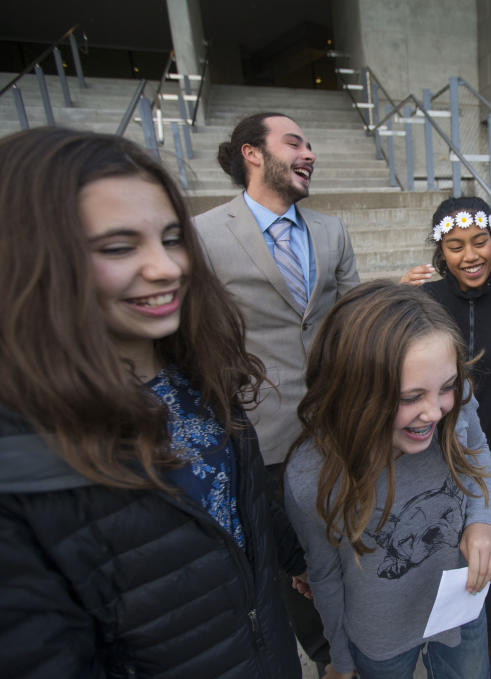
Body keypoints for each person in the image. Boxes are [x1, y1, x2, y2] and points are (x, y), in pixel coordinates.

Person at [0, 128, 304, 677]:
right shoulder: (21, 454)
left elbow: (242, 499)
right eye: (118, 247)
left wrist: (295, 556)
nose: (166, 268)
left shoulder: (197, 369)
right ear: (29, 260)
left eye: (170, 238)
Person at [195, 111, 361, 666]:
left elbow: (352, 317)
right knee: (294, 563)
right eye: (294, 142)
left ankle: (361, 638)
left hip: (338, 425)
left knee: (345, 542)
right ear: (252, 153)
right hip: (260, 431)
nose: (309, 152)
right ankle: (328, 659)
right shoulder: (204, 234)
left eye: (311, 143)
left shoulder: (332, 231)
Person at [284, 281, 491, 679]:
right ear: (352, 390)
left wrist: (483, 518)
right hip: (378, 637)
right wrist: (341, 658)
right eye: (409, 397)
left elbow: (477, 450)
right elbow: (325, 575)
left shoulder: (452, 406)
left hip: (459, 607)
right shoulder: (311, 476)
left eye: (447, 387)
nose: (435, 413)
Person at [405, 195, 491, 677]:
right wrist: (393, 300)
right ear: (441, 252)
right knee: (440, 550)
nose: (471, 255)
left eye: (479, 241)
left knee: (486, 552)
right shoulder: (423, 300)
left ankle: (486, 638)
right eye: (456, 245)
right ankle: (438, 635)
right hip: (431, 455)